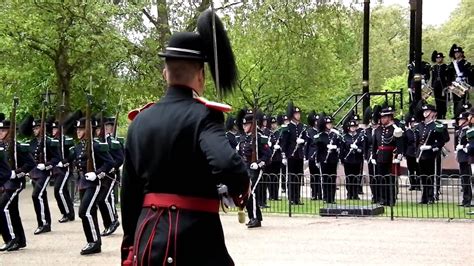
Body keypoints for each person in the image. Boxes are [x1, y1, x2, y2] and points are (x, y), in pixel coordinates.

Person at [120, 10, 250, 266]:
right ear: (200, 75)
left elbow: (130, 194)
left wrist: (130, 244)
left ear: (165, 73)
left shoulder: (139, 122)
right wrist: (240, 190)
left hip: (148, 238)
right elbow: (226, 164)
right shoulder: (205, 116)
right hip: (195, 239)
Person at [69, 117, 114, 255]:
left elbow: (110, 163)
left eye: (81, 129)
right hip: (83, 182)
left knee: (84, 211)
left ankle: (94, 241)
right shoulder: (78, 147)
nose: (78, 131)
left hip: (95, 183)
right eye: (77, 129)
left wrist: (97, 173)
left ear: (89, 130)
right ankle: (94, 242)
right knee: (90, 212)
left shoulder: (96, 146)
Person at [0, 114, 35, 251]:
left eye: (3, 131)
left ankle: (11, 238)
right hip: (5, 183)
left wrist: (17, 172)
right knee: (12, 211)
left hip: (15, 183)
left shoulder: (17, 146)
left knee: (3, 208)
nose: (1, 133)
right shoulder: (1, 146)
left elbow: (31, 163)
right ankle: (20, 240)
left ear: (10, 131)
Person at [236, 109, 271, 228]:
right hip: (246, 169)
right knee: (247, 193)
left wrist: (259, 163)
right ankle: (253, 217)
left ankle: (256, 218)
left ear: (252, 125)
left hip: (256, 169)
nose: (244, 126)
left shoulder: (259, 137)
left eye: (247, 124)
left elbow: (267, 154)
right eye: (243, 124)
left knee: (253, 192)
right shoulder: (244, 138)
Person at [28, 118, 60, 235]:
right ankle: (46, 222)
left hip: (44, 173)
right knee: (42, 197)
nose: (35, 130)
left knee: (36, 195)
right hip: (34, 173)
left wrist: (46, 165)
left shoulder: (49, 142)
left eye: (37, 128)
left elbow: (57, 158)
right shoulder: (32, 142)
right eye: (34, 128)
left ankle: (43, 223)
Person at [95, 117, 123, 237]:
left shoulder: (113, 142)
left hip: (111, 175)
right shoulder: (98, 143)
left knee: (104, 198)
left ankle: (112, 221)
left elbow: (120, 158)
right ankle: (109, 221)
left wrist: (113, 168)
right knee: (103, 199)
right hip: (101, 175)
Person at [371, 106, 404, 206]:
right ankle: (383, 198)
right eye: (381, 118)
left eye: (384, 117)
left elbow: (400, 144)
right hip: (380, 156)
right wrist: (373, 156)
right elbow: (375, 144)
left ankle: (391, 199)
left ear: (389, 118)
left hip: (391, 157)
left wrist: (399, 155)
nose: (382, 119)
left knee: (390, 179)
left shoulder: (395, 129)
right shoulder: (378, 130)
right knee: (381, 179)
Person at [415, 104, 446, 205]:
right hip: (421, 154)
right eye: (425, 111)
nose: (426, 112)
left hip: (431, 154)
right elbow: (417, 141)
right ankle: (424, 197)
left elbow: (441, 142)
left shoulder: (437, 126)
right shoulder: (419, 125)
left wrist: (431, 147)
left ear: (433, 113)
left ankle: (431, 196)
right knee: (423, 176)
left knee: (431, 176)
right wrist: (417, 152)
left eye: (428, 111)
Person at [280, 101, 307, 205]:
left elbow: (305, 139)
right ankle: (291, 198)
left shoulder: (302, 126)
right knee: (291, 177)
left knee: (298, 177)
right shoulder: (287, 127)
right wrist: (284, 155)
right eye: (296, 114)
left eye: (299, 114)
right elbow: (284, 142)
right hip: (291, 154)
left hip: (299, 155)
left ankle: (297, 198)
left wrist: (303, 141)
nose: (298, 115)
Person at [51, 120, 75, 223]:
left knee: (58, 190)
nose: (54, 131)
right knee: (63, 191)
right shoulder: (53, 141)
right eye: (53, 129)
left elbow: (73, 154)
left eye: (56, 128)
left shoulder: (66, 140)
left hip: (65, 169)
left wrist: (65, 162)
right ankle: (70, 212)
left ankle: (67, 213)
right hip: (56, 169)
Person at [314, 115, 342, 204]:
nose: (330, 125)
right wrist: (317, 160)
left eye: (330, 123)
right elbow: (318, 148)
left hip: (333, 159)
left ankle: (332, 198)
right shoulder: (320, 135)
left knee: (332, 178)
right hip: (324, 159)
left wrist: (335, 147)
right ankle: (326, 197)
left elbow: (341, 144)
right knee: (325, 178)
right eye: (328, 124)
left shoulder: (335, 134)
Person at [340, 115, 366, 200]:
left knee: (356, 177)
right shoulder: (344, 137)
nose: (353, 128)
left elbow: (362, 148)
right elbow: (342, 149)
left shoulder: (359, 136)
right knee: (348, 177)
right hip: (348, 160)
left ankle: (355, 193)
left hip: (357, 160)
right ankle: (349, 193)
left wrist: (357, 149)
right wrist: (342, 159)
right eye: (351, 127)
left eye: (354, 127)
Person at [447, 44, 472, 116]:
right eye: (455, 53)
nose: (456, 54)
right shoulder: (452, 64)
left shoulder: (466, 63)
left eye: (458, 53)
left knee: (463, 100)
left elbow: (470, 75)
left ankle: (462, 115)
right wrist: (449, 84)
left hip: (464, 84)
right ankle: (456, 115)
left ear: (461, 53)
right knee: (455, 100)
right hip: (455, 84)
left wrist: (470, 85)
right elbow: (449, 75)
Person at [455, 112, 472, 207]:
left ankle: (469, 199)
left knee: (467, 179)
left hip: (467, 157)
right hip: (462, 157)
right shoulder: (461, 130)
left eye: (462, 119)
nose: (460, 121)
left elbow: (471, 144)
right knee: (464, 179)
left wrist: (463, 146)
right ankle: (465, 199)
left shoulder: (469, 130)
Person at [305, 111, 322, 200]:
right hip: (312, 155)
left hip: (320, 155)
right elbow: (307, 145)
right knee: (313, 176)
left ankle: (320, 194)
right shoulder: (310, 132)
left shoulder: (322, 132)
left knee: (320, 176)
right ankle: (314, 193)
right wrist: (307, 157)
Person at [267, 116, 283, 201]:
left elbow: (283, 143)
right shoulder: (268, 133)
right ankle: (271, 195)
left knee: (277, 177)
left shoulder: (278, 133)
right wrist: (271, 146)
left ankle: (275, 195)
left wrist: (279, 147)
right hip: (270, 158)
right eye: (272, 123)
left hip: (277, 158)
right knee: (270, 177)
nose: (274, 125)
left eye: (275, 123)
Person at [403, 115, 420, 191]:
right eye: (412, 122)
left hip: (417, 152)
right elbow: (405, 143)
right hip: (409, 153)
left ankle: (418, 184)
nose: (413, 124)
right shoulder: (407, 132)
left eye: (414, 122)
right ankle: (412, 184)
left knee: (418, 169)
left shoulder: (418, 131)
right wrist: (404, 153)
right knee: (411, 169)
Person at [430, 51, 449, 119]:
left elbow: (448, 77)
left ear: (442, 59)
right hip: (436, 85)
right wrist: (432, 86)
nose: (438, 59)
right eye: (437, 58)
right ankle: (438, 114)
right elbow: (433, 77)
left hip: (443, 86)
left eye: (440, 58)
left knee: (443, 101)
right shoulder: (434, 67)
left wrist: (447, 85)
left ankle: (444, 114)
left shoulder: (445, 66)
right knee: (437, 100)